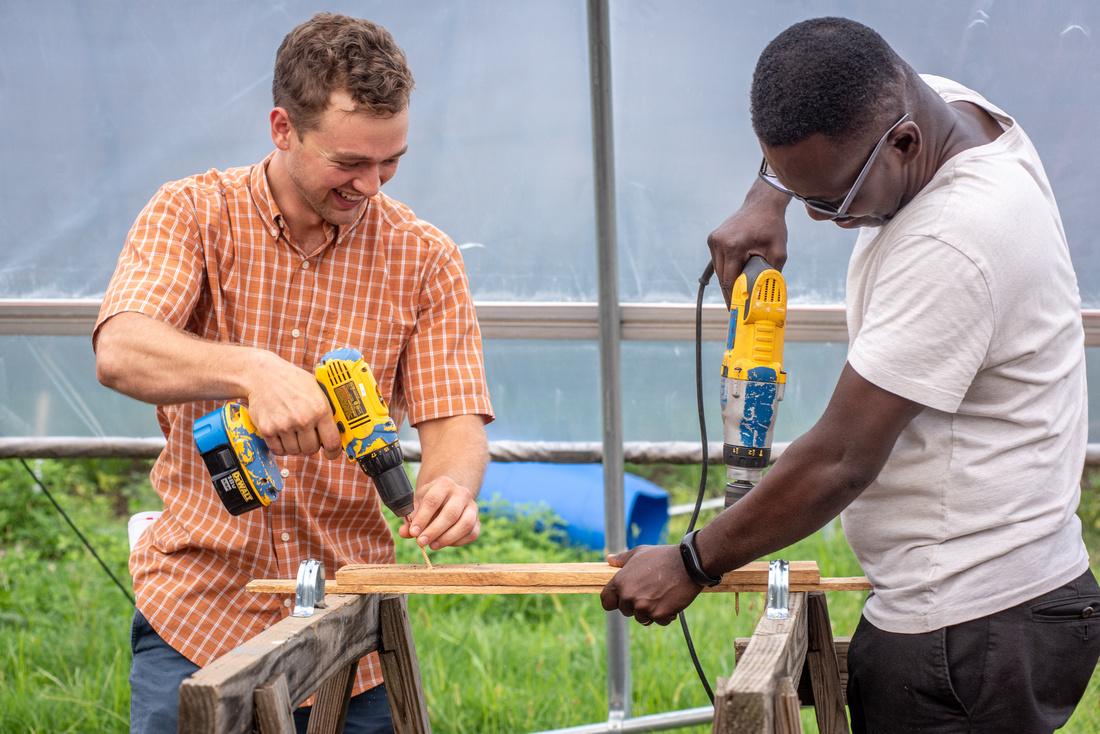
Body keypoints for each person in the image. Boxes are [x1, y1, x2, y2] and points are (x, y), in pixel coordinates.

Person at [601, 17, 1099, 733]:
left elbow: (839, 460)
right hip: (995, 606)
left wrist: (691, 561)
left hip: (975, 627)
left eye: (830, 200)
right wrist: (766, 195)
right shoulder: (943, 107)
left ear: (903, 143)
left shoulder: (957, 239)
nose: (819, 217)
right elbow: (816, 114)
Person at [94, 13, 493, 734]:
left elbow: (455, 413)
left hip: (350, 622)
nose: (371, 184)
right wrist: (252, 370)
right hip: (196, 608)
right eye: (349, 163)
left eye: (391, 161)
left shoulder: (424, 257)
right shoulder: (191, 214)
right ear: (283, 128)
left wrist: (450, 490)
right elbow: (121, 349)